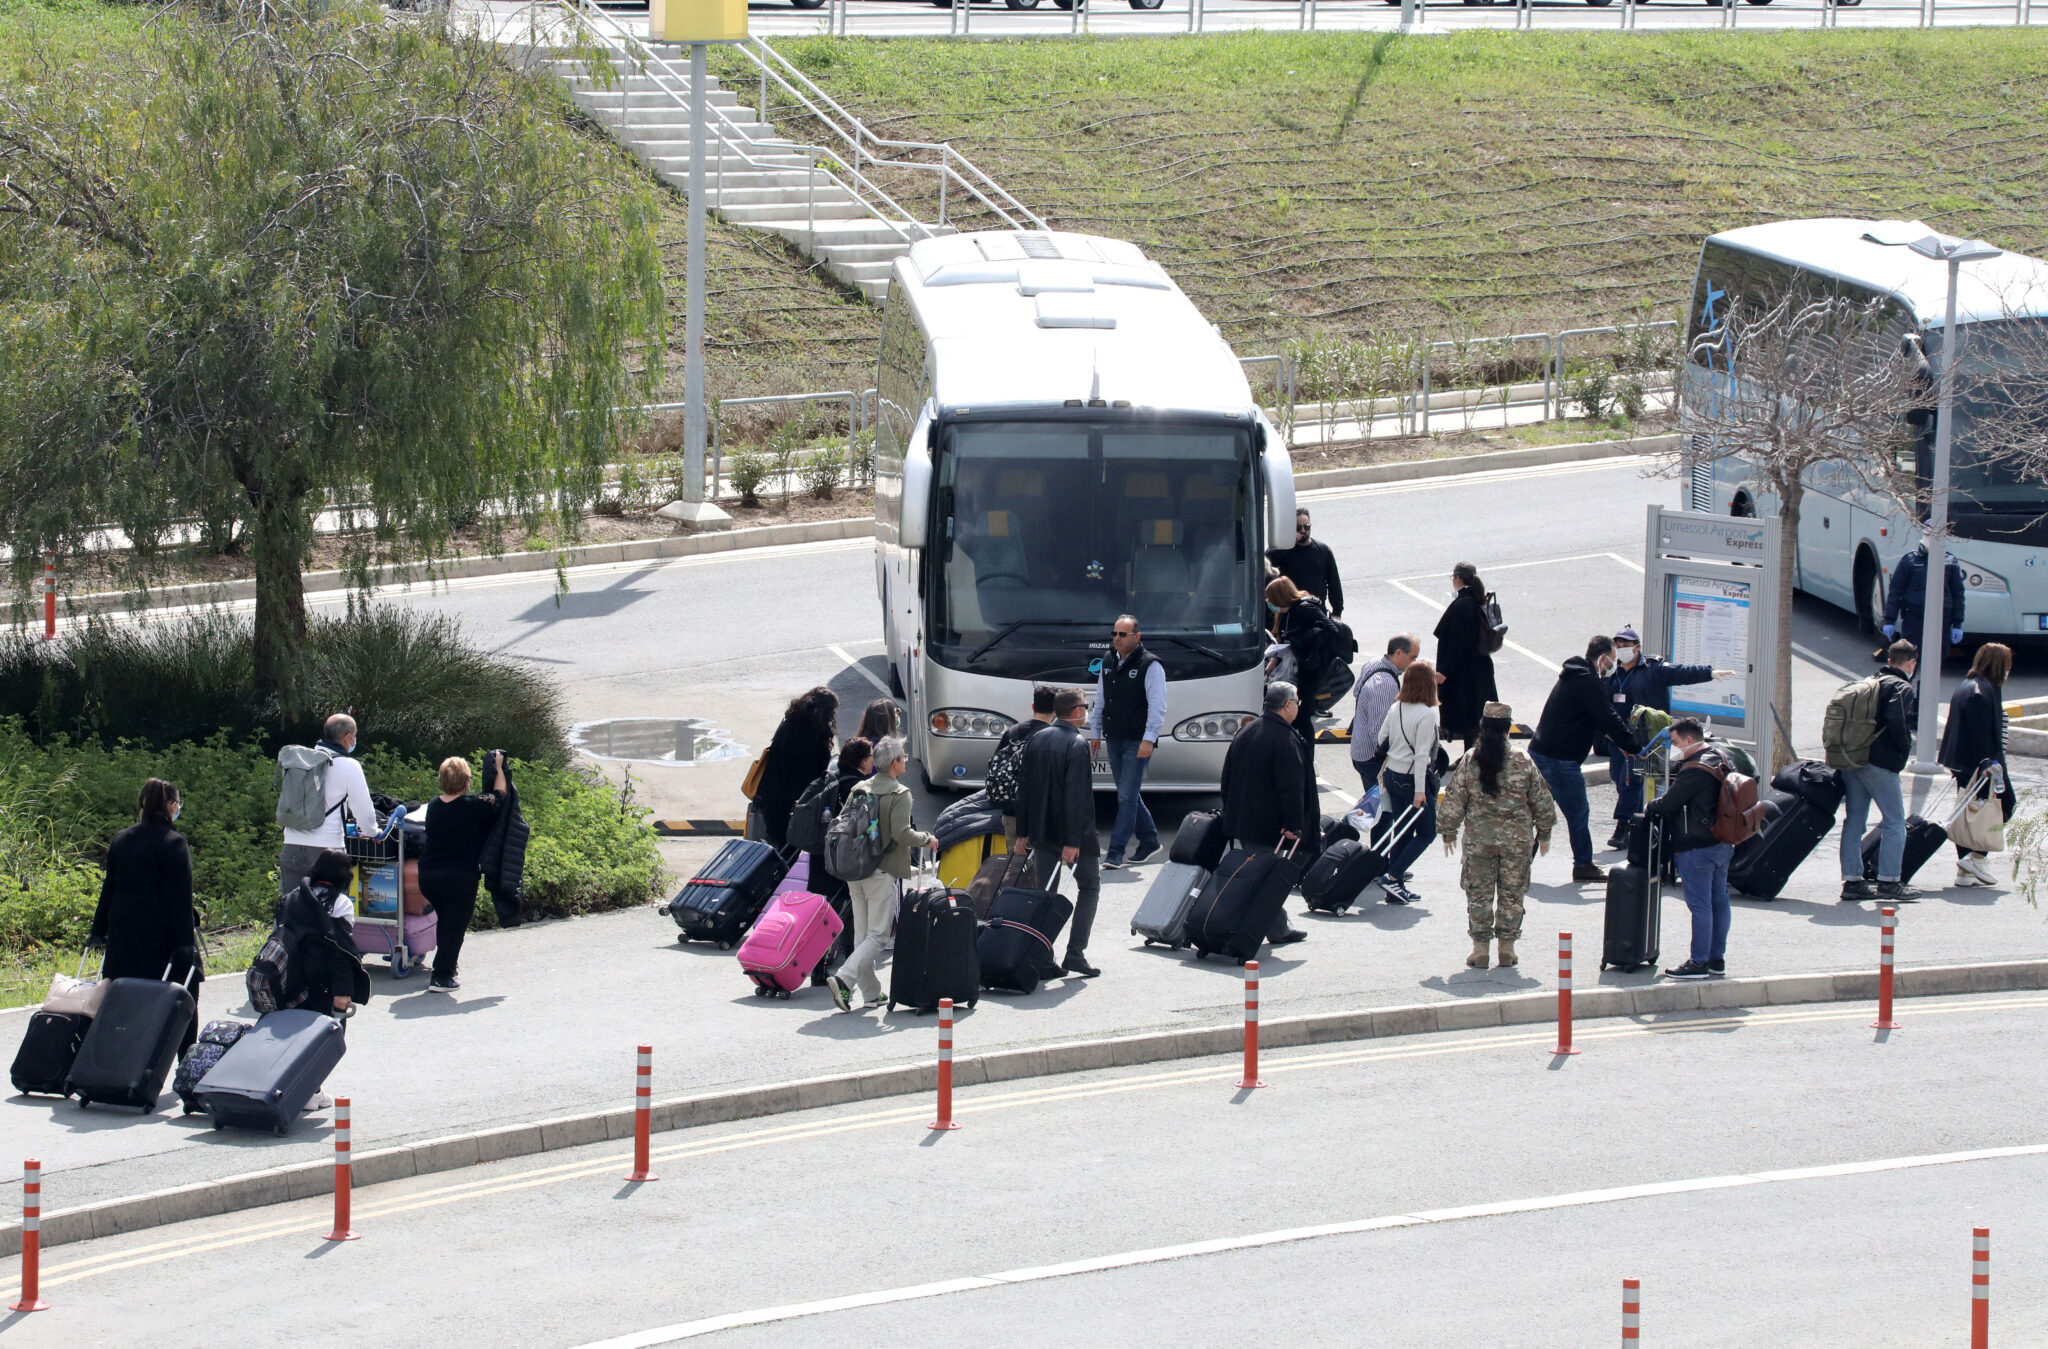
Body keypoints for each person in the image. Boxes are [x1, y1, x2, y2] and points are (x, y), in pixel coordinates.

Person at [1438, 702, 1555, 970]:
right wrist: (1544, 832)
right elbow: (1541, 798)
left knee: (1478, 894)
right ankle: (1507, 947)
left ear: (1483, 727)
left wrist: (1448, 831)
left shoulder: (1470, 758)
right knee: (1512, 894)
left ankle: (1480, 949)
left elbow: (1455, 797)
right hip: (1517, 841)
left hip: (1479, 840)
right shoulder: (1522, 759)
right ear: (1508, 728)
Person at [88, 778, 202, 1054]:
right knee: (186, 992)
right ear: (171, 805)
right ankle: (186, 1060)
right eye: (178, 804)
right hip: (159, 936)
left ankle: (112, 1057)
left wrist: (97, 930)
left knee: (121, 997)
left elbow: (109, 888)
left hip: (123, 933)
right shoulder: (174, 844)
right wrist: (186, 944)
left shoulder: (122, 839)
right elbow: (179, 898)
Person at [826, 737, 934, 1012]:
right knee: (879, 935)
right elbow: (902, 833)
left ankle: (872, 993)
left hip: (854, 868)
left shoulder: (860, 788)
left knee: (863, 936)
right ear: (895, 763)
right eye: (904, 757)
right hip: (882, 870)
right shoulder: (900, 793)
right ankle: (844, 979)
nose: (906, 760)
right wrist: (926, 839)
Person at [1601, 625, 1731, 851]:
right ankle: (1636, 822)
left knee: (1630, 781)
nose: (1622, 650)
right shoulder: (1613, 674)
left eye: (1626, 646)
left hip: (1646, 742)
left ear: (1638, 647)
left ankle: (1624, 828)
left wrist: (1709, 673)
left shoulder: (1653, 669)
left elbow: (1682, 672)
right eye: (1618, 646)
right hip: (1618, 740)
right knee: (1621, 780)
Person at [1528, 635, 1641, 883]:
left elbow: (1596, 719)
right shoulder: (1587, 680)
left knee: (1538, 812)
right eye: (1612, 659)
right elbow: (1606, 715)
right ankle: (1583, 865)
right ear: (1602, 659)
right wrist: (1633, 746)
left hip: (1543, 752)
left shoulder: (1575, 675)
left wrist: (1619, 742)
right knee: (1577, 812)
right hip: (1558, 758)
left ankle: (1520, 865)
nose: (1614, 664)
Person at [1018, 690, 1107, 976]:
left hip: (1041, 831)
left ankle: (1042, 957)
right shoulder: (1076, 743)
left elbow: (1024, 790)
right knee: (1090, 887)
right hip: (1072, 834)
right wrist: (1072, 841)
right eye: (1085, 706)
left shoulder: (1037, 738)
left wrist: (1023, 832)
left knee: (1046, 893)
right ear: (1076, 711)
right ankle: (1075, 953)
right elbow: (1076, 797)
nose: (1087, 711)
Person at [1641, 719, 1737, 980]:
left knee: (1700, 905)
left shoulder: (1695, 769)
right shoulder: (1721, 756)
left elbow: (1669, 803)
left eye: (1675, 742)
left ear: (1690, 741)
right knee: (1720, 901)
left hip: (1696, 846)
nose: (1673, 747)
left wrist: (1651, 806)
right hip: (1722, 841)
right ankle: (1717, 959)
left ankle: (1698, 962)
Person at [1217, 683, 1310, 947]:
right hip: (1270, 823)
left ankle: (1278, 927)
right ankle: (1271, 929)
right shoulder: (1284, 738)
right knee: (1264, 879)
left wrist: (1231, 810)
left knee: (1258, 876)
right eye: (1297, 701)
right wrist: (1294, 823)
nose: (1298, 706)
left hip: (1244, 819)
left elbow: (1227, 776)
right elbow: (1291, 786)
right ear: (1287, 704)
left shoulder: (1247, 731)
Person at [417, 752, 509, 992]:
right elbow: (499, 797)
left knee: (446, 922)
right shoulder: (473, 806)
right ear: (467, 782)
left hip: (429, 875)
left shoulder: (434, 805)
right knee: (454, 926)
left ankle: (447, 965)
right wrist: (498, 768)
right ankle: (442, 976)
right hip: (459, 877)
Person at [1268, 576, 1343, 859]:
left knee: (1302, 716)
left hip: (1308, 673)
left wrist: (1299, 641)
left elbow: (1329, 630)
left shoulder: (1306, 608)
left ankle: (1304, 752)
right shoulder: (1289, 614)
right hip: (1297, 669)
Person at [1840, 639, 1920, 903]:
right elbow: (1898, 722)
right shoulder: (1903, 687)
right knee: (1896, 822)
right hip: (1880, 763)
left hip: (1852, 759)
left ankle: (1852, 882)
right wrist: (1903, 750)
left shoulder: (1869, 681)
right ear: (1911, 662)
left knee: (1854, 821)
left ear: (1888, 660)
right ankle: (1889, 881)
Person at [1087, 615, 1164, 870]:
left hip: (1137, 741)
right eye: (1114, 634)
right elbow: (1101, 700)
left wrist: (1149, 740)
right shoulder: (1108, 661)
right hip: (1115, 738)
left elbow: (1157, 707)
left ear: (1137, 637)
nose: (1116, 639)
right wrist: (1095, 732)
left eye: (1123, 634)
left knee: (1126, 798)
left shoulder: (1150, 665)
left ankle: (1115, 852)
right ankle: (1150, 840)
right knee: (1127, 795)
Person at [279, 713, 378, 901]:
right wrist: (372, 832)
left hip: (291, 844)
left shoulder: (302, 761)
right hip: (327, 851)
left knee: (290, 909)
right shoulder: (349, 766)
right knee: (329, 910)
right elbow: (364, 813)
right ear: (348, 738)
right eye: (354, 736)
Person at [1940, 642, 2016, 888]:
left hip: (1962, 761)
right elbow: (1981, 732)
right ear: (1998, 666)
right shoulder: (1982, 692)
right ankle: (1976, 858)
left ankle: (1965, 869)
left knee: (1967, 812)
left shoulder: (1970, 685)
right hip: (1980, 763)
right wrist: (1988, 763)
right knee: (2002, 805)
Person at [1372, 661, 1441, 907]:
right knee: (1427, 832)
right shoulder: (1426, 714)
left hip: (1392, 774)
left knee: (1401, 829)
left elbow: (1382, 739)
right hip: (1413, 780)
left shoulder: (1397, 707)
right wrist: (1421, 792)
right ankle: (1393, 876)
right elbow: (1422, 756)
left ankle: (1395, 888)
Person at [283, 849, 370, 1016]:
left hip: (290, 976)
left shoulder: (292, 898)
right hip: (323, 980)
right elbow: (341, 951)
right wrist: (343, 991)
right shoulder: (339, 903)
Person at [753, 687, 839, 848]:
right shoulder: (814, 734)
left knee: (778, 845)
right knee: (790, 847)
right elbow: (812, 773)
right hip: (793, 804)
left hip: (773, 797)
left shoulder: (791, 721)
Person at [1434, 562, 1499, 750]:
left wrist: (1444, 671)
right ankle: (1471, 757)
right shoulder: (1475, 600)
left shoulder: (1464, 604)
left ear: (1458, 578)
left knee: (1470, 719)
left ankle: (1472, 759)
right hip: (1477, 669)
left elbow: (1457, 642)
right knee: (1474, 717)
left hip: (1466, 673)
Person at [1350, 634, 1417, 806]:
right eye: (1412, 658)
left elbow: (1356, 692)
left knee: (1379, 807)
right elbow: (1379, 734)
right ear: (1399, 653)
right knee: (1383, 811)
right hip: (1372, 758)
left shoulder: (1374, 663)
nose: (1413, 663)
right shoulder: (1386, 685)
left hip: (1360, 748)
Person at [1883, 535, 1968, 661]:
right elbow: (1896, 591)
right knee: (1909, 657)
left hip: (1942, 619)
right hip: (1915, 617)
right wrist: (1890, 620)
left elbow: (1958, 594)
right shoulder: (1910, 560)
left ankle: (1925, 682)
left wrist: (1957, 624)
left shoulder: (1950, 562)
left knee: (1936, 660)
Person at [991, 685, 1057, 838]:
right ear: (1055, 711)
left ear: (1033, 706)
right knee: (1042, 860)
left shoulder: (1013, 731)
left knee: (1014, 860)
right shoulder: (1054, 737)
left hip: (1013, 811)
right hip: (1042, 813)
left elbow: (996, 764)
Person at [1266, 508, 1344, 618]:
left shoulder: (1323, 550)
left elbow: (1334, 583)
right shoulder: (1281, 550)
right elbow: (1266, 572)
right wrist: (1289, 540)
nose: (1303, 530)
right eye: (1298, 528)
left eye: (1306, 526)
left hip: (1317, 611)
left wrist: (1337, 611)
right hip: (1289, 614)